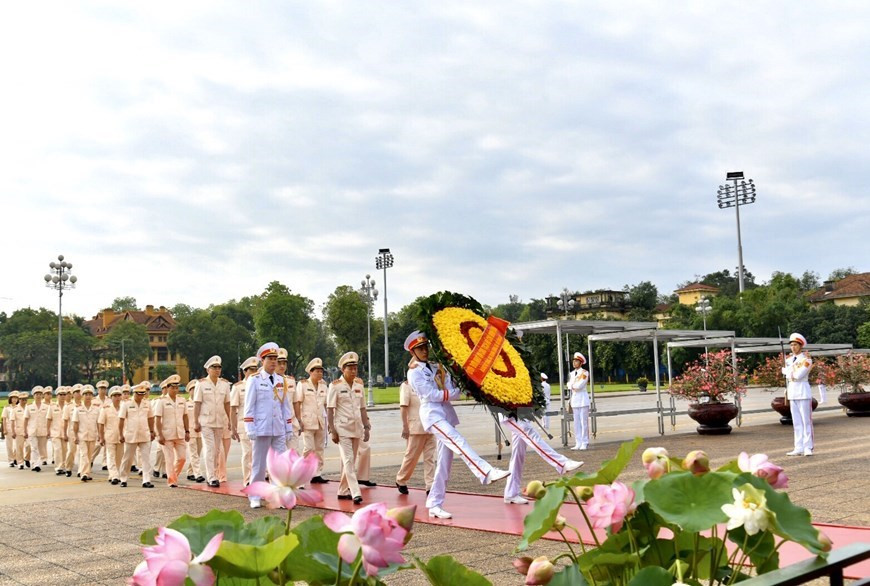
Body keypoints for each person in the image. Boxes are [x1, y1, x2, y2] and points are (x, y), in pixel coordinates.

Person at [405, 330, 510, 520]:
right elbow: (432, 395)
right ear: (412, 352)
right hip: (432, 414)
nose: (424, 351)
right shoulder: (414, 373)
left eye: (425, 347)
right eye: (419, 349)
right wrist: (453, 393)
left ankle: (434, 504)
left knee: (444, 462)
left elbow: (451, 386)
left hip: (445, 413)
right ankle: (485, 472)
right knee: (458, 440)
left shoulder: (437, 366)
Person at [244, 342, 292, 509]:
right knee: (259, 465)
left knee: (279, 465)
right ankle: (255, 495)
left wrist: (289, 427)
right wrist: (250, 427)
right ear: (262, 360)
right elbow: (249, 406)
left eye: (275, 359)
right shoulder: (255, 380)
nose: (273, 362)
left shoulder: (281, 380)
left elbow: (285, 406)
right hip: (261, 428)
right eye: (270, 359)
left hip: (278, 428)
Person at [499, 413, 583, 504]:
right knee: (530, 434)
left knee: (518, 455)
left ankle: (511, 493)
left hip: (519, 412)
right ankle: (562, 463)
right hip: (509, 414)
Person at [327, 352, 370, 504]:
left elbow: (363, 408)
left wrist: (367, 426)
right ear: (343, 369)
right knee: (348, 459)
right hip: (342, 428)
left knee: (351, 460)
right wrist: (332, 429)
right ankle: (355, 492)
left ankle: (342, 490)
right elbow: (330, 409)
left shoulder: (359, 385)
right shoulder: (335, 386)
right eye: (350, 368)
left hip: (356, 427)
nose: (353, 371)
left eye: (355, 368)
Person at [193, 355, 232, 487]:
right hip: (206, 422)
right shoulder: (201, 384)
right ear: (208, 370)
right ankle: (211, 477)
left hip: (219, 421)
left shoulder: (224, 384)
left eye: (218, 367)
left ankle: (214, 473)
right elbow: (197, 403)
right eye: (214, 367)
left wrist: (230, 420)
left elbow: (227, 403)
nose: (217, 369)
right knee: (209, 449)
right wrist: (195, 421)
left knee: (217, 451)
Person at [395, 375, 436, 495]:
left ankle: (430, 485)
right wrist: (405, 426)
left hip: (430, 426)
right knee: (411, 457)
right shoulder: (406, 386)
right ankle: (401, 479)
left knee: (430, 458)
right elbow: (403, 407)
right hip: (415, 427)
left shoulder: (428, 383)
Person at [294, 357, 329, 484]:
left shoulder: (324, 385)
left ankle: (317, 473)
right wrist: (299, 419)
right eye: (317, 371)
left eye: (321, 371)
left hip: (320, 421)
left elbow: (326, 404)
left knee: (319, 449)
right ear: (310, 372)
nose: (320, 373)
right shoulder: (302, 385)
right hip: (307, 422)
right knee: (309, 448)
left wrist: (328, 422)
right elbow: (298, 402)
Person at [119, 382, 156, 488]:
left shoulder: (147, 404)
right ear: (134, 393)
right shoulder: (126, 404)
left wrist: (152, 431)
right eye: (138, 394)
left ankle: (146, 480)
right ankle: (123, 478)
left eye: (142, 394)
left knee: (146, 459)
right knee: (128, 458)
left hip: (144, 433)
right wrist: (121, 434)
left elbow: (150, 418)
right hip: (131, 434)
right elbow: (121, 420)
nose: (141, 396)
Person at [783, 333, 815, 457]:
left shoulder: (806, 360)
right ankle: (798, 447)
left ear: (800, 346)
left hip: (802, 391)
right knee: (796, 422)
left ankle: (808, 447)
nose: (793, 347)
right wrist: (789, 373)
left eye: (795, 345)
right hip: (792, 391)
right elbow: (789, 377)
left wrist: (788, 372)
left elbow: (799, 375)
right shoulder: (788, 360)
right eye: (791, 345)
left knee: (806, 421)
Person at [154, 374, 189, 487]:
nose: (174, 389)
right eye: (172, 387)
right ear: (167, 388)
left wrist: (187, 431)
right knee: (169, 459)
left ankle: (173, 476)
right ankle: (172, 481)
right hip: (167, 434)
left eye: (176, 387)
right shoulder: (162, 401)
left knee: (182, 458)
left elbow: (185, 416)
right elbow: (157, 419)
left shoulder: (182, 400)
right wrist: (159, 434)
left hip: (180, 433)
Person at [231, 356, 259, 486]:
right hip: (244, 423)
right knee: (247, 453)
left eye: (256, 369)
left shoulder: (261, 383)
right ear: (245, 372)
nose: (254, 372)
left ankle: (259, 477)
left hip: (259, 423)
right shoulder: (238, 387)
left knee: (259, 452)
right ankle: (248, 479)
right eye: (251, 370)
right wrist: (233, 427)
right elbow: (233, 408)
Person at [72, 385, 100, 482]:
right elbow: (75, 424)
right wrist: (75, 435)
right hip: (82, 436)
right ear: (82, 396)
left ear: (92, 396)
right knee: (84, 454)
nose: (88, 396)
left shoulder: (96, 409)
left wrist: (100, 434)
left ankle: (86, 473)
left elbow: (98, 423)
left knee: (89, 455)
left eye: (90, 394)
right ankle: (83, 474)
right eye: (86, 394)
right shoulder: (78, 409)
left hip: (92, 435)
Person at [98, 386, 125, 484]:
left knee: (119, 458)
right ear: (111, 397)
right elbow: (101, 424)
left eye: (119, 395)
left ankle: (113, 474)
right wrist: (101, 437)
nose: (117, 398)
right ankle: (114, 476)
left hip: (121, 437)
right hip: (110, 436)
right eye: (115, 396)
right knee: (110, 456)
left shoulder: (124, 407)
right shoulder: (105, 409)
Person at [276, 348, 298, 452]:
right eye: (279, 363)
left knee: (293, 453)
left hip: (291, 422)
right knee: (276, 457)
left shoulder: (291, 380)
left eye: (284, 363)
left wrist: (299, 419)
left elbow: (295, 402)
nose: (282, 366)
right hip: (276, 422)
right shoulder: (268, 380)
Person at [568, 352, 590, 450]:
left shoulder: (584, 373)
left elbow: (580, 385)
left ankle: (584, 442)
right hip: (575, 400)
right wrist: (572, 386)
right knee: (576, 422)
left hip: (582, 399)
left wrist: (572, 386)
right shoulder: (571, 374)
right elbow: (568, 385)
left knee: (583, 422)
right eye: (574, 361)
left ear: (581, 363)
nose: (574, 363)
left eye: (576, 361)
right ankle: (578, 442)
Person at [23, 386, 49, 471]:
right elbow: (26, 419)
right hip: (32, 430)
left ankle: (35, 463)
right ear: (33, 396)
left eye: (40, 394)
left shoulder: (46, 407)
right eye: (36, 394)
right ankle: (36, 465)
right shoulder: (29, 406)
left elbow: (49, 419)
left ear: (42, 396)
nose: (38, 396)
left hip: (43, 430)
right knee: (34, 448)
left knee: (41, 448)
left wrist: (48, 430)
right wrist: (25, 431)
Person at [185, 380, 205, 483]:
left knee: (197, 453)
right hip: (190, 431)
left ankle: (190, 472)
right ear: (189, 391)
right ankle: (198, 474)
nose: (194, 391)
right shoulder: (185, 403)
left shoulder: (201, 403)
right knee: (193, 454)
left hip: (200, 431)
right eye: (193, 389)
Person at [46, 387, 68, 475]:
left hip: (65, 432)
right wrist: (47, 430)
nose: (62, 396)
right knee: (57, 449)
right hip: (55, 431)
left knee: (65, 450)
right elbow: (48, 419)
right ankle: (58, 467)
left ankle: (63, 465)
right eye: (60, 395)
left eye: (64, 395)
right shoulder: (52, 407)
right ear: (57, 396)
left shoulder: (69, 406)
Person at [3, 392, 20, 466]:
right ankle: (11, 460)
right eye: (13, 398)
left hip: (17, 428)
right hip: (9, 427)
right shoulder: (7, 408)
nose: (14, 399)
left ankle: (15, 457)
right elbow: (4, 419)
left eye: (16, 398)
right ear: (10, 399)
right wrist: (4, 429)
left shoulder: (19, 407)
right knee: (9, 445)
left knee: (18, 445)